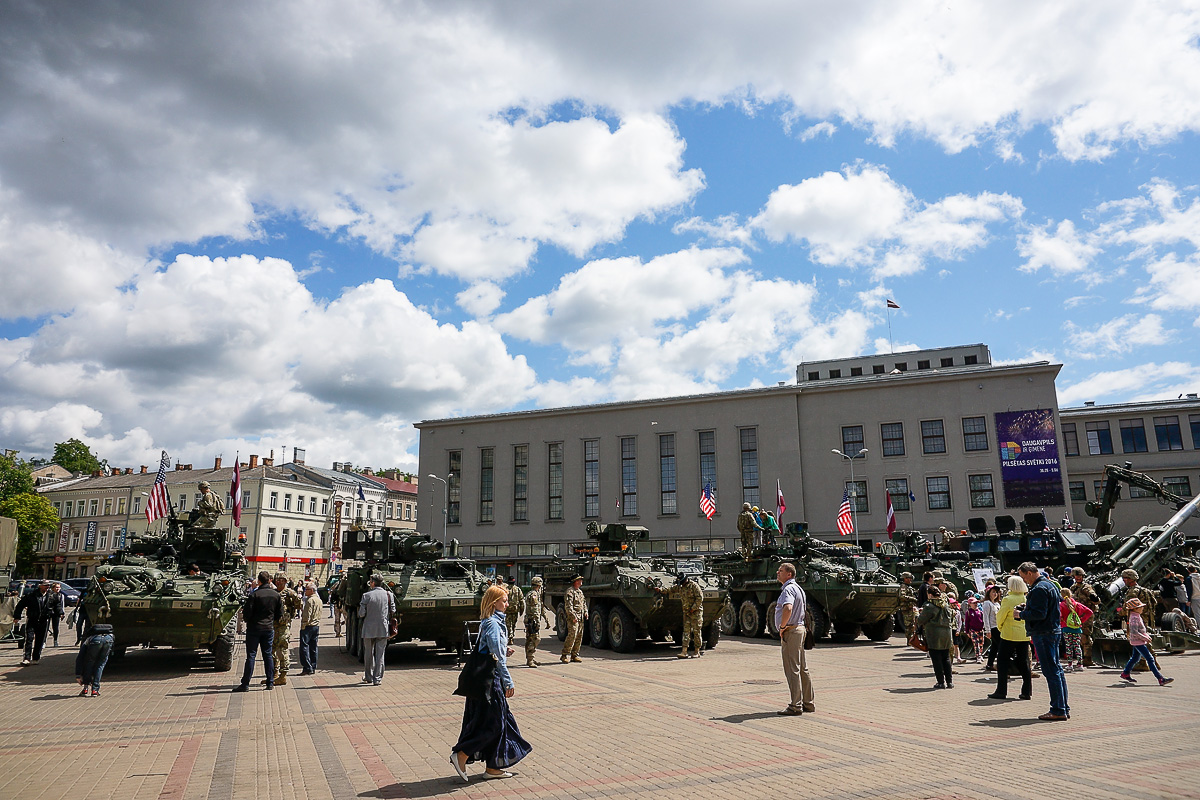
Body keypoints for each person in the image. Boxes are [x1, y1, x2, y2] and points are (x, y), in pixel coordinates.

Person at [450, 585, 532, 782]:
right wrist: (508, 681)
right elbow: (497, 658)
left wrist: (504, 649)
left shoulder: (490, 622)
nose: (507, 603)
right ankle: (461, 754)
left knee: (501, 722)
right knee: (494, 724)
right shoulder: (493, 624)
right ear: (494, 602)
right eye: (504, 600)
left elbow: (491, 649)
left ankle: (494, 767)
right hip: (490, 682)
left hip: (486, 681)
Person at [1016, 562, 1068, 721]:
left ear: (1030, 573)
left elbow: (1039, 614)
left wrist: (1021, 614)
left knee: (1051, 671)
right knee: (1057, 670)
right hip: (1053, 630)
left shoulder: (1038, 589)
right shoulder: (1050, 585)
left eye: (1024, 577)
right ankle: (1063, 706)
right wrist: (1028, 607)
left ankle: (1058, 709)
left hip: (1043, 632)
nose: (1024, 581)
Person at [774, 562, 815, 715]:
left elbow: (788, 608)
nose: (778, 573)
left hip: (791, 631)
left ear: (789, 574)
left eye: (781, 571)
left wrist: (782, 627)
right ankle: (808, 703)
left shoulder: (788, 589)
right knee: (803, 668)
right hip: (800, 629)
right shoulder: (798, 588)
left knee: (793, 670)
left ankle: (795, 706)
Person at [234, 571, 282, 691]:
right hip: (268, 628)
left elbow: (247, 613)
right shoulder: (276, 595)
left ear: (259, 581)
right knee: (268, 655)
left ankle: (245, 684)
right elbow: (279, 613)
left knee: (251, 655)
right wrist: (270, 620)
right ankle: (270, 682)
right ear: (269, 580)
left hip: (254, 628)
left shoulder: (254, 595)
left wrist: (249, 621)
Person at [988, 575, 1032, 702]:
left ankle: (1001, 691)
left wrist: (1001, 627)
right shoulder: (1026, 598)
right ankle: (1026, 691)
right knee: (1024, 662)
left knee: (1002, 661)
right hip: (1024, 634)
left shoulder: (1008, 599)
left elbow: (1000, 616)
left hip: (1009, 634)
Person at [1120, 599, 1173, 685]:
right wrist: (1145, 638)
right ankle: (1160, 678)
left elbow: (1139, 631)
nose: (1142, 608)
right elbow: (1134, 632)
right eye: (1140, 607)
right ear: (1135, 608)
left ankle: (1125, 673)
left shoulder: (1136, 616)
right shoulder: (1134, 618)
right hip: (1138, 642)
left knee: (1135, 658)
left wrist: (1146, 636)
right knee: (1150, 659)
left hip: (1137, 641)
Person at [359, 573, 395, 685]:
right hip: (383, 629)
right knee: (380, 655)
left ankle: (368, 677)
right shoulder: (389, 594)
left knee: (368, 654)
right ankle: (377, 679)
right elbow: (393, 610)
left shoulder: (366, 595)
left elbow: (361, 613)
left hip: (368, 629)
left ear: (373, 583)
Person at [917, 587, 955, 688]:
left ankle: (940, 682)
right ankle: (950, 682)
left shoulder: (929, 606)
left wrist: (917, 614)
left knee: (936, 659)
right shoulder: (946, 605)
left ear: (930, 594)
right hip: (947, 634)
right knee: (946, 658)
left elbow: (920, 620)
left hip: (934, 635)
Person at [268, 572, 302, 686]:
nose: (278, 582)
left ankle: (283, 676)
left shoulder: (290, 593)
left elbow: (299, 605)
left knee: (282, 649)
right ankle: (274, 674)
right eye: (277, 580)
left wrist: (294, 601)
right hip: (273, 625)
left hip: (283, 626)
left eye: (281, 580)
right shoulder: (273, 593)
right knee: (271, 650)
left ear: (285, 581)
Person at [15, 579, 56, 665]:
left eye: (48, 585)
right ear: (40, 586)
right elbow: (20, 605)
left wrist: (59, 613)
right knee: (29, 639)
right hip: (32, 619)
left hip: (43, 620)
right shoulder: (31, 596)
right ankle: (27, 658)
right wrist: (17, 616)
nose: (47, 587)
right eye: (45, 585)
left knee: (39, 640)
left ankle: (36, 657)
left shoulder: (51, 596)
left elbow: (56, 606)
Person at [1069, 567, 1099, 667]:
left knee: (1086, 635)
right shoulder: (1073, 588)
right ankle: (1080, 657)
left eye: (1080, 576)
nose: (1078, 578)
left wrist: (1093, 597)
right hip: (1076, 615)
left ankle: (1088, 658)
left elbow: (1093, 597)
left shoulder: (1086, 587)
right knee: (1078, 636)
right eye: (1076, 576)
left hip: (1086, 615)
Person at [75, 623, 114, 697]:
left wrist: (78, 675)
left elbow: (80, 657)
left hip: (95, 642)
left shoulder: (88, 639)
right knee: (100, 665)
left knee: (89, 663)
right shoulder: (110, 635)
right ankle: (95, 690)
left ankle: (85, 688)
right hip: (108, 640)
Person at [522, 576, 553, 668]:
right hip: (532, 620)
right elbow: (535, 609)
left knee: (529, 639)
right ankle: (530, 659)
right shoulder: (534, 595)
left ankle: (530, 658)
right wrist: (537, 621)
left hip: (530, 619)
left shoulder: (531, 593)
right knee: (535, 639)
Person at [1060, 592, 1091, 673]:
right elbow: (1089, 612)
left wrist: (1062, 623)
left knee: (1068, 647)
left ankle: (1070, 664)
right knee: (1077, 646)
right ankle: (1080, 664)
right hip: (1077, 628)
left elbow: (1059, 616)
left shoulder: (1062, 605)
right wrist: (1081, 621)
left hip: (1066, 628)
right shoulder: (1077, 604)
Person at [559, 575, 587, 664]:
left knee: (579, 636)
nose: (581, 581)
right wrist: (573, 616)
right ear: (575, 581)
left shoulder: (580, 592)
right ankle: (565, 655)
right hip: (574, 618)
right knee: (572, 636)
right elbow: (568, 606)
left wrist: (586, 611)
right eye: (579, 580)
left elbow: (584, 603)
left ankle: (574, 655)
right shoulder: (570, 592)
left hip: (580, 617)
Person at [298, 581, 322, 675]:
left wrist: (303, 624)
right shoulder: (319, 600)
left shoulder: (310, 600)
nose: (305, 591)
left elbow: (307, 614)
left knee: (304, 647)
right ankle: (313, 665)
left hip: (308, 626)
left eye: (306, 589)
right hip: (316, 626)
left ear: (311, 590)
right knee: (313, 647)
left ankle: (307, 667)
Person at [678, 573, 704, 658]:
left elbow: (700, 598)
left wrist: (693, 609)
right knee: (686, 632)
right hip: (687, 613)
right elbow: (672, 589)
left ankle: (697, 651)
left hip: (695, 613)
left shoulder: (694, 586)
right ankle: (684, 651)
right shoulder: (681, 586)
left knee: (696, 632)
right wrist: (660, 590)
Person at [981, 584, 1002, 671]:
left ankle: (990, 664)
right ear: (988, 593)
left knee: (995, 647)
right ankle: (1000, 665)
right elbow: (985, 617)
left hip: (999, 627)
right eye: (993, 592)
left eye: (996, 592)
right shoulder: (987, 603)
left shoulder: (997, 603)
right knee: (1000, 646)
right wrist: (988, 630)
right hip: (993, 628)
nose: (995, 594)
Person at [963, 596, 986, 664]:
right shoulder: (969, 612)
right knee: (976, 643)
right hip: (973, 630)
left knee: (981, 643)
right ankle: (978, 656)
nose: (975, 604)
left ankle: (980, 654)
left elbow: (982, 620)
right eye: (974, 603)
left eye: (976, 603)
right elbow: (967, 622)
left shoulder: (980, 611)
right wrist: (967, 631)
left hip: (980, 630)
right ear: (970, 604)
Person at [898, 573, 918, 640]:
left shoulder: (908, 587)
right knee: (908, 625)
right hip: (906, 608)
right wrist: (913, 599)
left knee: (912, 625)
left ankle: (911, 640)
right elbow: (902, 597)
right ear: (905, 578)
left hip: (910, 608)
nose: (910, 580)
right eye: (909, 578)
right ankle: (909, 640)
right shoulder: (903, 587)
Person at [505, 577, 524, 643]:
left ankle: (510, 636)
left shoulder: (505, 589)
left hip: (507, 610)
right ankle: (511, 636)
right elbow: (521, 600)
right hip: (515, 609)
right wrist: (522, 610)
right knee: (513, 624)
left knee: (508, 624)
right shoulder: (518, 589)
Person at [48, 582, 66, 647]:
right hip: (49, 612)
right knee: (46, 627)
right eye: (56, 587)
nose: (58, 588)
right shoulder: (49, 595)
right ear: (53, 588)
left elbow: (62, 605)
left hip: (57, 613)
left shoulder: (61, 595)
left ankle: (55, 641)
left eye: (59, 587)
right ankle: (43, 642)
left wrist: (62, 613)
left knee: (55, 627)